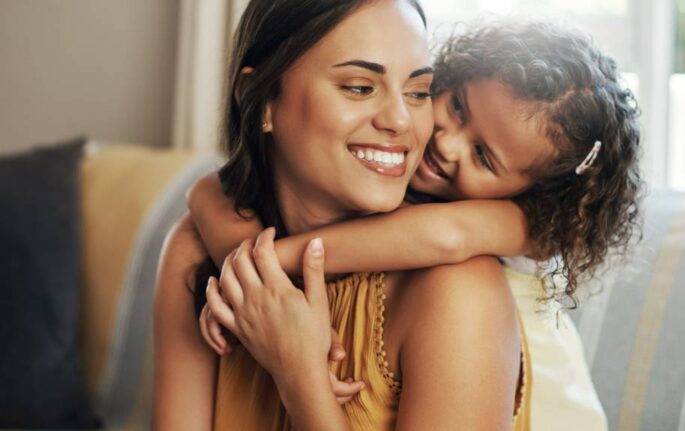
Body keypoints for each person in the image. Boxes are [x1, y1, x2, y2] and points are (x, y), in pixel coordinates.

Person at [190, 18, 642, 430]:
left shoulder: (524, 225)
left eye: (482, 156)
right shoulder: (386, 182)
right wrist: (249, 275)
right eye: (459, 107)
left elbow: (443, 236)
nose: (447, 144)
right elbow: (209, 194)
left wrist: (266, 269)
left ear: (530, 192)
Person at [153, 1, 528, 430]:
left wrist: (300, 375)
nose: (400, 120)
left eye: (419, 92)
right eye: (358, 87)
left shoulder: (459, 289)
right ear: (259, 101)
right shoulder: (196, 250)